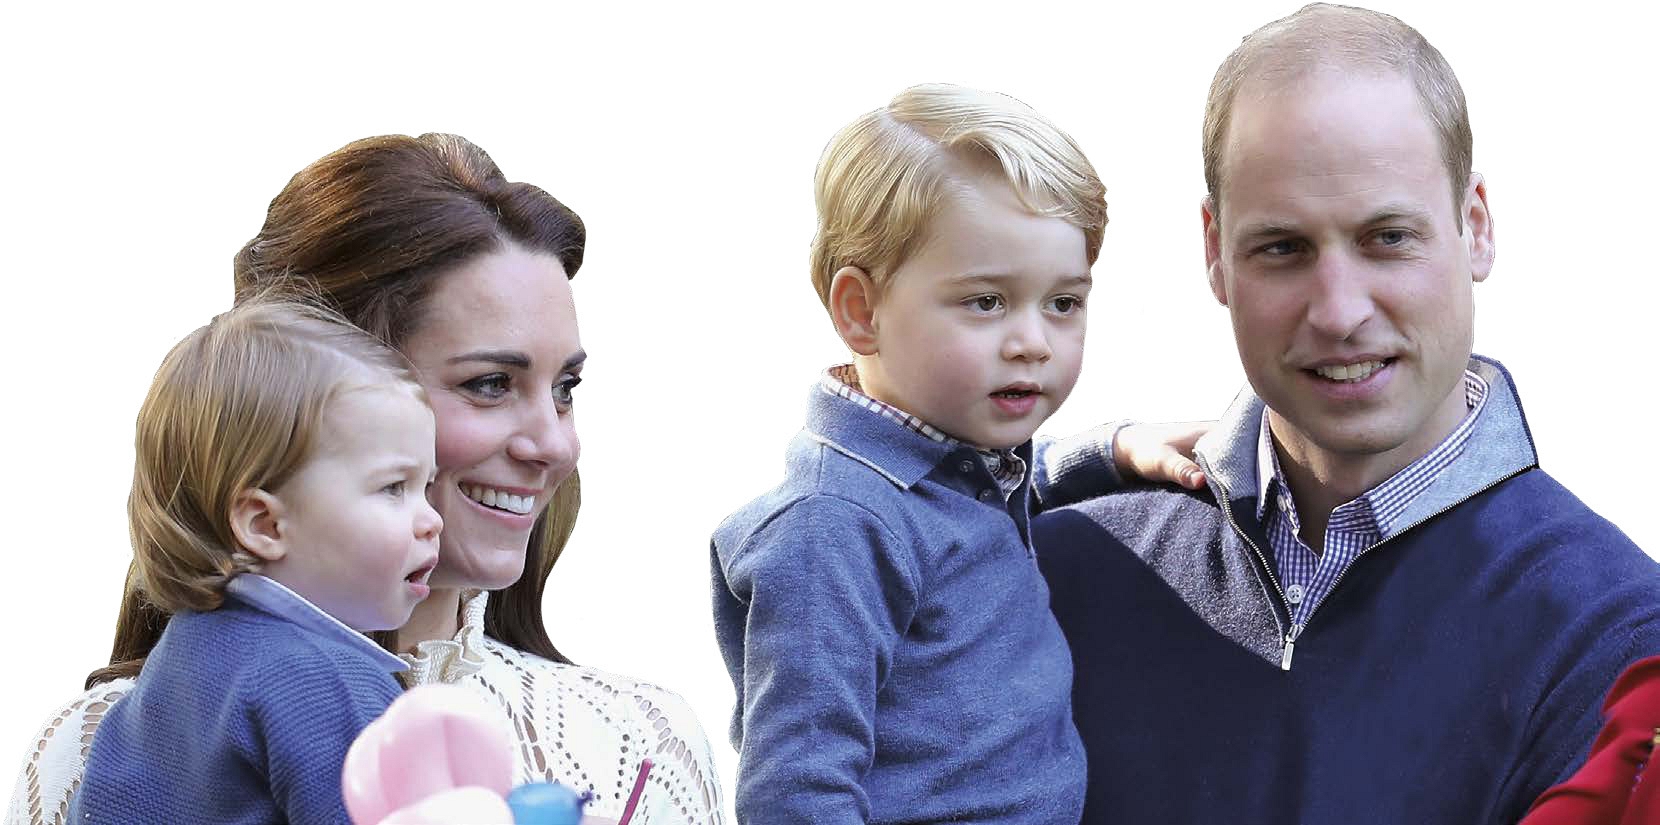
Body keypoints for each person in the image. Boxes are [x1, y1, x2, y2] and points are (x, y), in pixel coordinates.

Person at [1035, 5, 1660, 824]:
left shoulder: (1615, 638)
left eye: (1387, 238)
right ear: (1214, 251)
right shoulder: (1058, 567)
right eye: (1283, 248)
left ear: (1475, 226)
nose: (1338, 311)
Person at [8, 133, 723, 825]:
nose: (555, 443)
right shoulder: (97, 736)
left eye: (565, 387)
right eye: (490, 383)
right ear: (320, 393)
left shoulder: (639, 741)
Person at [711, 83, 1116, 823]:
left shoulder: (956, 467)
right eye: (986, 301)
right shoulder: (832, 529)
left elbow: (1015, 480)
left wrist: (1115, 449)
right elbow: (794, 792)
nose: (1033, 340)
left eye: (1063, 302)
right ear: (860, 311)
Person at [69, 297, 442, 823]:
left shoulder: (173, 666)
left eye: (426, 486)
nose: (431, 519)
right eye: (392, 488)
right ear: (265, 525)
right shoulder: (327, 678)